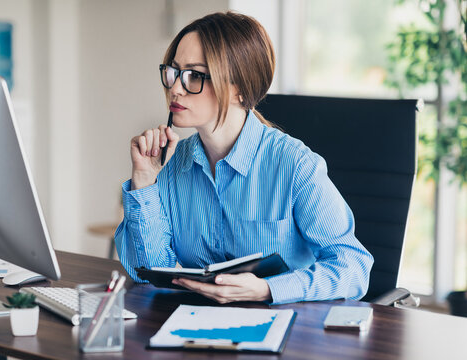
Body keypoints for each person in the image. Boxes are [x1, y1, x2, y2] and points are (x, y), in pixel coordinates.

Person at [114, 11, 373, 304]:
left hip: (289, 333)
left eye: (194, 76)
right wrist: (145, 180)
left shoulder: (296, 166)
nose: (175, 88)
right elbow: (145, 270)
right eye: (173, 72)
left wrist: (267, 289)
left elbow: (353, 268)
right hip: (197, 330)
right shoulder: (171, 165)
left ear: (240, 90)